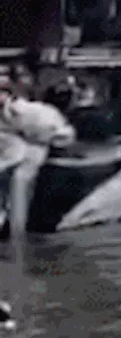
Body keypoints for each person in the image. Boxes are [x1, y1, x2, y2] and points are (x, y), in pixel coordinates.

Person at [0, 71, 76, 235]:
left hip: (31, 152)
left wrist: (34, 137)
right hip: (9, 155)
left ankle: (17, 233)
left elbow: (64, 136)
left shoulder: (34, 113)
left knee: (20, 179)